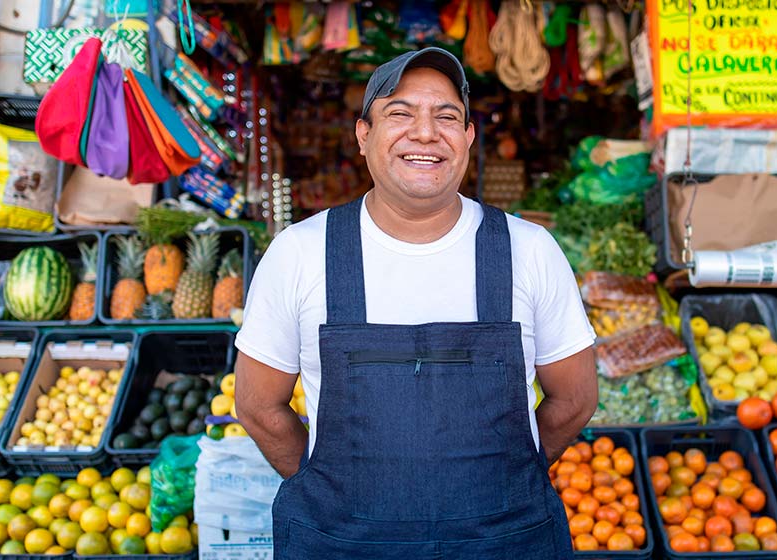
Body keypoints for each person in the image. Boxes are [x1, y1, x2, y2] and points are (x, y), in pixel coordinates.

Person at [234, 46, 598, 559]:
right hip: (345, 545)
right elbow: (257, 406)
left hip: (502, 543)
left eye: (446, 116)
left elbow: (575, 399)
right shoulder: (301, 252)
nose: (425, 133)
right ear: (364, 136)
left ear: (468, 137)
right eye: (400, 114)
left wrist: (508, 483)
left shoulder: (528, 249)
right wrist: (330, 491)